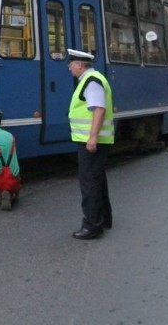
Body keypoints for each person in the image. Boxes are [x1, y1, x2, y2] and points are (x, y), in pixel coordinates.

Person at [67, 48, 114, 240]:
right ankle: (104, 219)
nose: (69, 69)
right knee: (97, 180)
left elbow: (99, 110)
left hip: (92, 141)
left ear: (79, 65)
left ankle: (92, 226)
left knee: (89, 183)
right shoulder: (92, 79)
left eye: (70, 65)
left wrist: (92, 137)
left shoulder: (91, 81)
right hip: (92, 139)